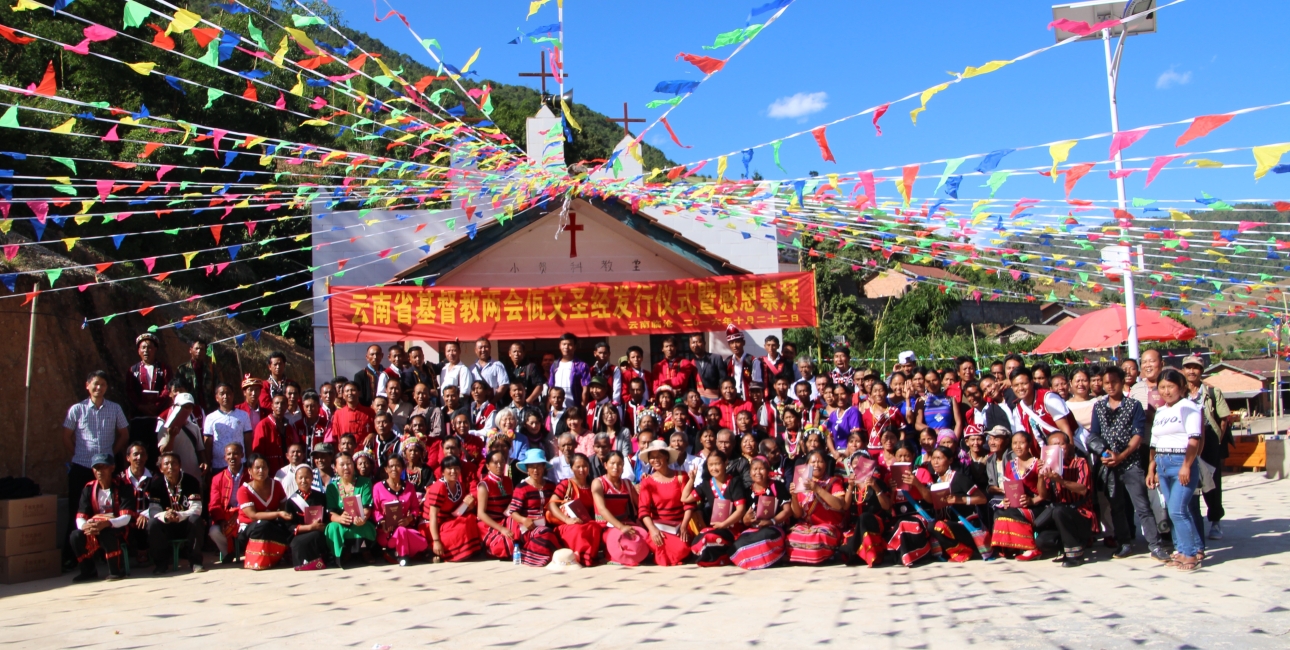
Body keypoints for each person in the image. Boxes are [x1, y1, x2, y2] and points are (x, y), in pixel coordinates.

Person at [1091, 366, 1164, 561]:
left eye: (1114, 382)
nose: (1110, 386)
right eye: (1106, 383)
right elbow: (1094, 435)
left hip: (1131, 463)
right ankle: (1124, 543)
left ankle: (1155, 545)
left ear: (1122, 382)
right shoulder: (1098, 407)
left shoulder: (1134, 405)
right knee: (1117, 507)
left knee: (1142, 506)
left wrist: (1122, 456)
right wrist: (1102, 454)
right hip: (1109, 465)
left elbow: (1138, 434)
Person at [62, 371, 130, 568]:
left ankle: (107, 553)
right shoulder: (77, 409)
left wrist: (111, 454)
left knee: (109, 508)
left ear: (107, 388)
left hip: (106, 469)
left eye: (102, 385)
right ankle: (72, 557)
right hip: (81, 467)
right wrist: (78, 454)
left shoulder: (115, 409)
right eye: (95, 384)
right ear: (87, 385)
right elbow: (66, 436)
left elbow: (124, 435)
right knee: (76, 510)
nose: (99, 388)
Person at [1148, 369, 1205, 571]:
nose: (1166, 391)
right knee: (1172, 511)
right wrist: (1151, 468)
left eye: (1170, 386)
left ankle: (1191, 554)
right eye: (1162, 387)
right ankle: (1182, 550)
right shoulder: (1161, 411)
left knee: (1178, 510)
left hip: (1181, 460)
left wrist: (1187, 466)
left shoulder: (1189, 407)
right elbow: (1155, 442)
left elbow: (1194, 439)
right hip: (1162, 462)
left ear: (1181, 387)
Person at [1181, 354, 1231, 540]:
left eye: (1196, 367)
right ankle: (1193, 523)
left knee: (1212, 483)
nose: (1192, 371)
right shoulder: (1180, 391)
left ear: (1201, 371)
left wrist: (1218, 438)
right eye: (1188, 367)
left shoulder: (1212, 392)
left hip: (1209, 440)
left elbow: (1225, 418)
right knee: (1189, 480)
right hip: (1187, 440)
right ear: (1183, 370)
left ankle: (1215, 520)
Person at [69, 453, 133, 582]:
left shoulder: (123, 486)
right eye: (97, 468)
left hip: (118, 527)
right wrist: (85, 526)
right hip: (96, 527)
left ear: (112, 468)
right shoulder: (88, 488)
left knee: (107, 534)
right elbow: (80, 515)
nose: (100, 471)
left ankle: (116, 570)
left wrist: (107, 523)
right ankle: (88, 571)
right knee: (75, 536)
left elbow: (126, 517)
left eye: (103, 467)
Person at [1038, 432, 1096, 567]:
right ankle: (1067, 547)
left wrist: (1061, 481)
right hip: (1060, 518)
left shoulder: (1080, 462)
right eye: (1054, 445)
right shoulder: (1048, 466)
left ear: (1068, 446)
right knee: (1042, 541)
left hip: (1081, 515)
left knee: (1060, 511)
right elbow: (1044, 495)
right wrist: (1041, 477)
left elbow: (1083, 489)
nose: (1059, 448)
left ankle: (1075, 555)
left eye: (1062, 444)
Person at [686, 450, 750, 566]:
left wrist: (724, 524)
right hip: (717, 527)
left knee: (707, 539)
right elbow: (685, 498)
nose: (714, 468)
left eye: (717, 464)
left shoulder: (734, 482)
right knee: (698, 541)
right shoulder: (706, 484)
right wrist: (691, 479)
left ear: (726, 463)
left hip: (733, 528)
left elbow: (741, 510)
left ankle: (724, 556)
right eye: (711, 465)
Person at [636, 440, 694, 566]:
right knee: (657, 545)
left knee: (681, 548)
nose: (655, 460)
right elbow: (643, 510)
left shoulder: (681, 476)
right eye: (652, 457)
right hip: (658, 529)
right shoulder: (647, 482)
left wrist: (684, 526)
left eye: (659, 456)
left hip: (679, 528)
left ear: (666, 457)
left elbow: (689, 505)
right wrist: (652, 530)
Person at [146, 452, 205, 573]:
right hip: (166, 525)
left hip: (185, 523)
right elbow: (153, 510)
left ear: (180, 465)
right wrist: (165, 516)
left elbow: (197, 508)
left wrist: (179, 515)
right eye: (166, 464)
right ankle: (161, 564)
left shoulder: (191, 481)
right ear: (161, 468)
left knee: (196, 519)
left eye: (174, 463)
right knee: (152, 523)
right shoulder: (155, 484)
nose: (170, 467)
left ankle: (196, 562)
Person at [990, 431, 1045, 561]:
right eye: (1015, 443)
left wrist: (1032, 500)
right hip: (1018, 504)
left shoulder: (1038, 464)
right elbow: (1010, 487)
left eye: (1022, 443)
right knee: (999, 512)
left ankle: (1031, 548)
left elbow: (1044, 495)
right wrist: (1007, 500)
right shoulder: (1010, 465)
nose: (1018, 446)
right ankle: (1008, 547)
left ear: (1029, 444)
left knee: (1013, 513)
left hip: (1037, 504)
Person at [786, 449, 846, 565]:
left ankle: (815, 555)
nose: (816, 465)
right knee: (792, 537)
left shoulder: (834, 482)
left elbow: (839, 505)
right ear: (807, 465)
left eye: (820, 462)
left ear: (826, 464)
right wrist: (793, 496)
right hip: (808, 526)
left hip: (829, 525)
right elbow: (797, 514)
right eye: (813, 462)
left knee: (818, 539)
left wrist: (817, 489)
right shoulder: (801, 484)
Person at [730, 455, 790, 570]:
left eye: (761, 469)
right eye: (754, 469)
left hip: (774, 527)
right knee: (739, 544)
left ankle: (768, 558)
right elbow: (744, 519)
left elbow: (787, 511)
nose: (758, 472)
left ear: (768, 471)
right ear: (750, 472)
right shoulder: (747, 491)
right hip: (753, 529)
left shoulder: (777, 486)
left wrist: (771, 521)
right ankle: (756, 560)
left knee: (765, 538)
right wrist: (745, 520)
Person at [235, 454, 293, 570]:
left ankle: (278, 557)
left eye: (264, 467)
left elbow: (283, 508)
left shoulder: (276, 485)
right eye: (257, 468)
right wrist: (277, 514)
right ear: (250, 471)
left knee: (289, 529)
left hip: (272, 525)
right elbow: (253, 515)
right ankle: (258, 560)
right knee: (263, 525)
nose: (261, 471)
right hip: (251, 528)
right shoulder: (244, 490)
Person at [591, 451, 648, 566]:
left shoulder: (627, 483)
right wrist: (621, 526)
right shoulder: (598, 483)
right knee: (620, 540)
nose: (616, 467)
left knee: (643, 537)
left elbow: (640, 504)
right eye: (612, 463)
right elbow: (602, 509)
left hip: (627, 522)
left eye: (619, 464)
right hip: (606, 525)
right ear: (605, 465)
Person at [507, 449, 562, 566]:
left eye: (539, 466)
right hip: (528, 527)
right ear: (527, 469)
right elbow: (513, 512)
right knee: (545, 534)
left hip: (549, 524)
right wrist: (524, 520)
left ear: (544, 467)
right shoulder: (521, 488)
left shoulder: (551, 486)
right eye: (532, 467)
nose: (536, 470)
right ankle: (534, 556)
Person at [126, 333, 172, 466]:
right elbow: (130, 391)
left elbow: (168, 388)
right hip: (139, 417)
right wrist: (141, 406)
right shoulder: (133, 370)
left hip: (159, 416)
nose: (146, 350)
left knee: (156, 447)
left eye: (150, 347)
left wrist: (156, 405)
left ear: (156, 349)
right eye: (143, 347)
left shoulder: (163, 368)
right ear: (138, 350)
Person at [548, 453, 602, 566]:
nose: (582, 470)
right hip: (568, 524)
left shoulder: (593, 485)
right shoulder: (566, 484)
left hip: (587, 523)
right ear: (572, 467)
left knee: (595, 527)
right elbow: (551, 504)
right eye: (578, 467)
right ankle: (578, 556)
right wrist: (566, 520)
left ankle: (588, 558)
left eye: (585, 466)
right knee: (578, 530)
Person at [373, 455, 427, 565]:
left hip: (405, 527)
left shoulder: (409, 487)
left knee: (423, 543)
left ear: (403, 468)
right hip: (387, 532)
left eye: (397, 466)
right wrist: (382, 522)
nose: (394, 469)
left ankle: (394, 553)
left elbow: (415, 508)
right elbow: (375, 510)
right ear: (386, 469)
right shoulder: (378, 487)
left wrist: (409, 518)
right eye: (391, 466)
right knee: (401, 531)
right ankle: (403, 556)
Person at [325, 454, 376, 568]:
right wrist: (339, 518)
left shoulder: (365, 482)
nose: (346, 468)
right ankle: (340, 554)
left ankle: (365, 551)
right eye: (342, 465)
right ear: (335, 468)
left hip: (359, 520)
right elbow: (331, 512)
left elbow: (367, 507)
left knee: (365, 526)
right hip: (343, 522)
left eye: (349, 464)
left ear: (353, 466)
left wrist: (363, 518)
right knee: (332, 527)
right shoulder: (331, 487)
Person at [1008, 368, 1078, 444]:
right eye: (1016, 385)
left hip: (1066, 447)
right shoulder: (1018, 410)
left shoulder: (1049, 398)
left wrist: (1071, 453)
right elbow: (1022, 439)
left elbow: (1066, 429)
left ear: (1032, 383)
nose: (1020, 388)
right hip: (1043, 453)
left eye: (1024, 384)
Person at [281, 465, 329, 571]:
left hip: (318, 531)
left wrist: (322, 526)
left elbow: (327, 517)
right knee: (298, 543)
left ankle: (321, 561)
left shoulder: (321, 497)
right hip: (300, 534)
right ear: (295, 479)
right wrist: (311, 527)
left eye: (307, 477)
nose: (303, 481)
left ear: (312, 478)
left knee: (317, 535)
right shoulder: (291, 501)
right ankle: (303, 564)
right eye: (300, 478)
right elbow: (289, 526)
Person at [208, 442, 247, 560]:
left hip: (245, 514)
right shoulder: (217, 478)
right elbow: (214, 504)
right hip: (226, 516)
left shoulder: (250, 475)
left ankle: (245, 552)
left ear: (242, 455)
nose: (232, 457)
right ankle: (228, 553)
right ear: (225, 458)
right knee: (214, 531)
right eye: (229, 454)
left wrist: (239, 514)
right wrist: (220, 520)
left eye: (235, 453)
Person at [476, 451, 517, 559]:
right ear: (488, 466)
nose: (499, 465)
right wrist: (501, 529)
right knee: (506, 545)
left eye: (502, 462)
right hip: (489, 524)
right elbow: (481, 513)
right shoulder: (484, 485)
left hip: (505, 521)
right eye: (495, 463)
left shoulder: (508, 481)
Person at [251, 394, 296, 474]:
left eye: (283, 403)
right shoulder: (263, 425)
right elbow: (257, 451)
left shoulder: (289, 427)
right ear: (272, 406)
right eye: (277, 403)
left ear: (287, 406)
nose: (280, 406)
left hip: (287, 470)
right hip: (269, 471)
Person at [549, 333, 591, 408]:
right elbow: (551, 386)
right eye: (564, 344)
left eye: (570, 344)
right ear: (560, 346)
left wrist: (583, 406)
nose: (566, 347)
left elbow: (586, 389)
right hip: (556, 407)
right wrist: (548, 405)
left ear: (575, 347)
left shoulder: (581, 366)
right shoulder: (555, 365)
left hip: (573, 408)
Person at [176, 339, 215, 413]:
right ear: (190, 350)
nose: (199, 351)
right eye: (196, 348)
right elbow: (178, 389)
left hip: (208, 406)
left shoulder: (210, 369)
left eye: (202, 349)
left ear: (205, 352)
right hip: (189, 405)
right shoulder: (182, 369)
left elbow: (215, 387)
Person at [688, 333, 724, 401]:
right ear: (689, 345)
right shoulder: (691, 363)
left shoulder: (716, 358)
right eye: (693, 342)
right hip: (699, 399)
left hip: (715, 397)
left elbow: (723, 378)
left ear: (704, 343)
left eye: (698, 342)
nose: (696, 345)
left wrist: (721, 396)